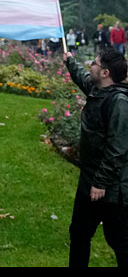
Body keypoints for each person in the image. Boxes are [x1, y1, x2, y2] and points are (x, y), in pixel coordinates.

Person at [63, 48, 128, 267]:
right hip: (89, 180)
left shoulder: (119, 102)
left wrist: (100, 183)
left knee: (119, 241)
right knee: (79, 233)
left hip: (112, 188)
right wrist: (70, 61)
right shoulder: (96, 89)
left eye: (94, 63)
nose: (90, 64)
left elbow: (117, 149)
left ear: (105, 73)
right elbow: (82, 77)